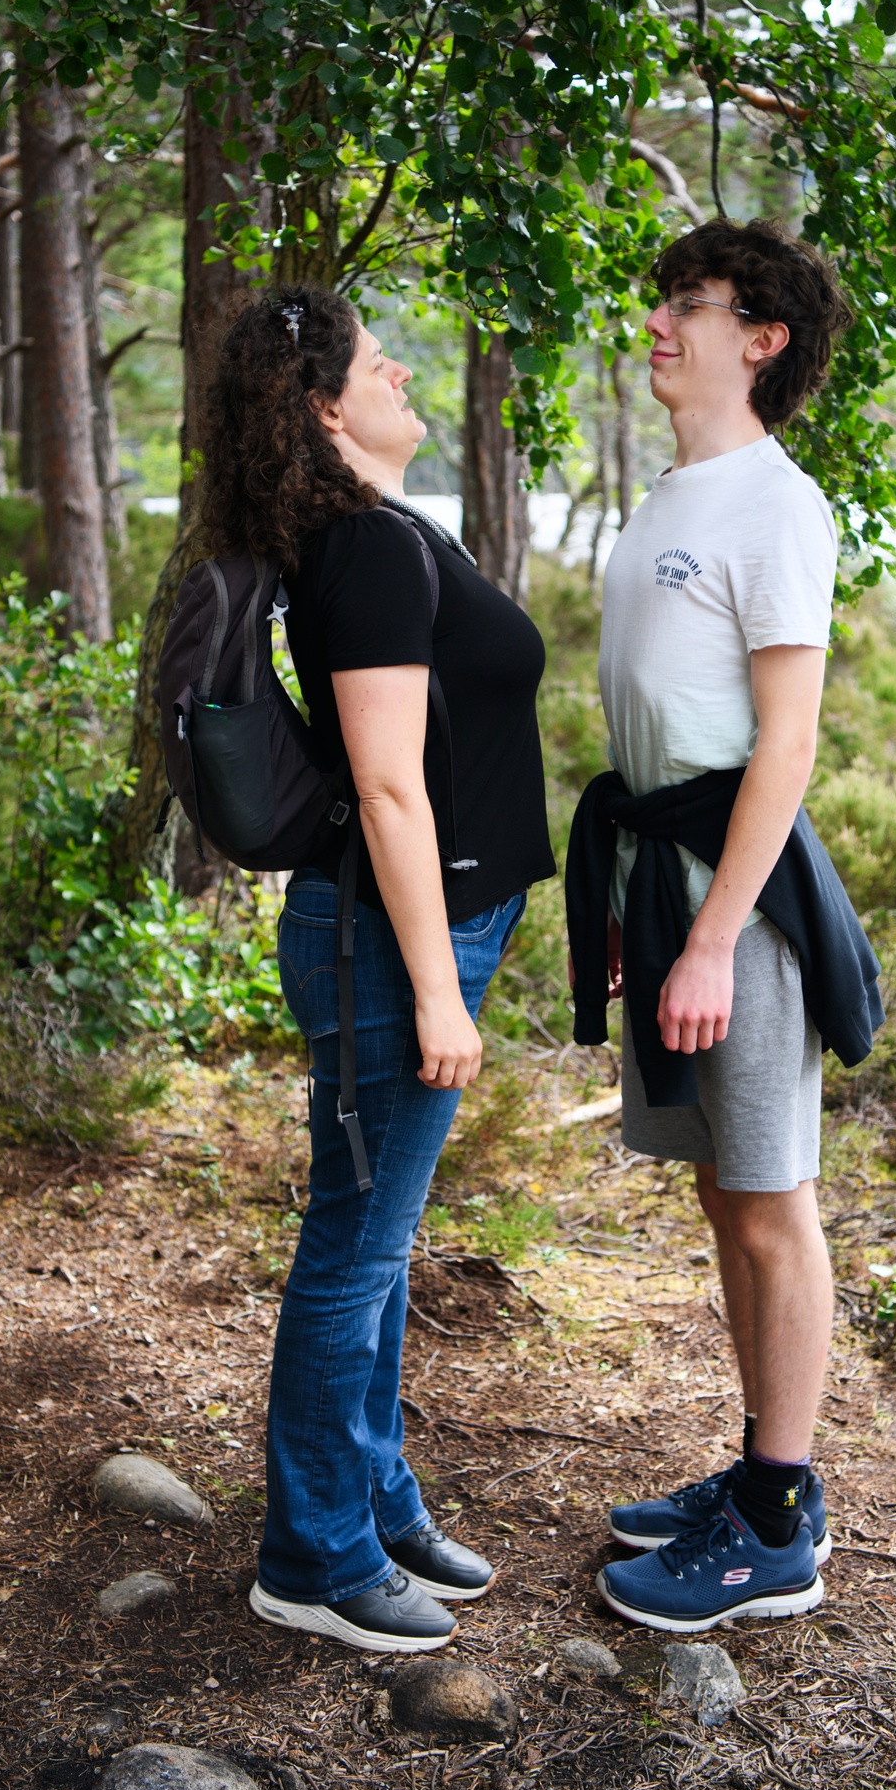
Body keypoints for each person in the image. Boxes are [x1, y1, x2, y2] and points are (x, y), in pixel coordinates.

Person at [199, 288, 556, 1654]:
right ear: (321, 407)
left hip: (414, 933)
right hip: (393, 944)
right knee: (352, 1253)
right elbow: (391, 788)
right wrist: (437, 989)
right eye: (372, 360)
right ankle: (313, 1556)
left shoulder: (386, 534)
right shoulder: (364, 551)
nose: (400, 367)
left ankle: (377, 1498)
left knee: (378, 1245)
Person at [566, 219, 879, 1632]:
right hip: (667, 882)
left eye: (686, 304)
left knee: (770, 1198)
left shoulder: (775, 505)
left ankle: (778, 1528)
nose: (657, 323)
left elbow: (786, 745)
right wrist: (644, 915)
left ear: (759, 339)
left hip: (736, 907)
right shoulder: (669, 497)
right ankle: (760, 1475)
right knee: (720, 1191)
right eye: (661, 301)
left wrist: (708, 939)